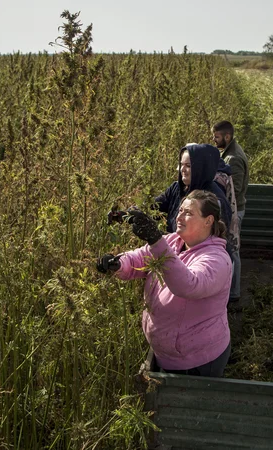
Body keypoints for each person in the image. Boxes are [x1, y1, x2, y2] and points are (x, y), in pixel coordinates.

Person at [97, 190, 233, 376]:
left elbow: (188, 285)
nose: (180, 216)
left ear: (208, 221)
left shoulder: (217, 260)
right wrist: (118, 263)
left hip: (198, 359)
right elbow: (139, 258)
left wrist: (155, 239)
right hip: (170, 354)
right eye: (180, 210)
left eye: (189, 213)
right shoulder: (173, 242)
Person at [154, 144, 232, 237]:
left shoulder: (214, 199)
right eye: (181, 164)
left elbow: (216, 237)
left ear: (201, 168)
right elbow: (154, 207)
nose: (182, 169)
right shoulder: (176, 188)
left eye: (188, 166)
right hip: (174, 247)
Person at [212, 121, 249, 303]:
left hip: (235, 211)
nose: (214, 140)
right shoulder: (229, 153)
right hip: (234, 209)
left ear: (227, 137)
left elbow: (236, 189)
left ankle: (234, 293)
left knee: (233, 251)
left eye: (217, 137)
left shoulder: (233, 159)